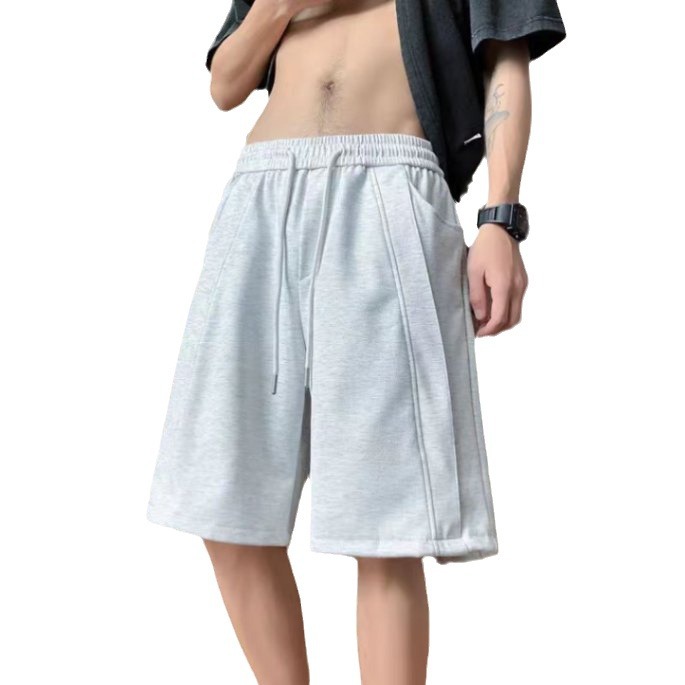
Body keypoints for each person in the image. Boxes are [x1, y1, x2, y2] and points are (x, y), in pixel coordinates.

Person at [146, 0, 566, 681]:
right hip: (259, 192)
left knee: (387, 524)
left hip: (390, 181)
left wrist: (500, 217)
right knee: (221, 493)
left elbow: (506, 60)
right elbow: (225, 84)